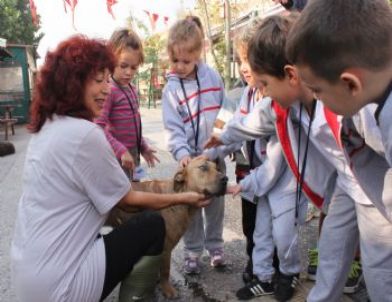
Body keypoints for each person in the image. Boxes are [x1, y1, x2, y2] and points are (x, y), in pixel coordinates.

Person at [205, 14, 392, 302]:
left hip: (376, 192)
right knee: (330, 250)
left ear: (292, 75)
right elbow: (246, 124)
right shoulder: (284, 105)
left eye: (265, 83)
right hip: (347, 184)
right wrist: (214, 144)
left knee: (378, 269)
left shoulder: (347, 101)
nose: (261, 92)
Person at [10, 35, 209, 302]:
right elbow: (129, 200)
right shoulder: (84, 134)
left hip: (27, 276)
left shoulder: (47, 126)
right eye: (98, 80)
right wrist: (183, 197)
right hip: (60, 288)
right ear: (73, 81)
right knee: (150, 224)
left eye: (107, 79)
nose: (106, 89)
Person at [285, 1, 392, 300]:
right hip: (358, 187)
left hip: (373, 199)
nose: (317, 100)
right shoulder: (374, 103)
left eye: (317, 90)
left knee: (381, 272)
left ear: (350, 84)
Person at [162, 17, 226, 274]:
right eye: (175, 60)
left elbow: (224, 113)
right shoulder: (171, 89)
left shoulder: (213, 77)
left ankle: (216, 247)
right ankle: (192, 252)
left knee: (216, 206)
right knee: (191, 208)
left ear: (199, 53)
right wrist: (182, 153)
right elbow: (173, 127)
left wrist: (221, 143)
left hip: (214, 157)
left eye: (186, 61)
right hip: (191, 162)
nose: (179, 66)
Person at [95, 28, 158, 181]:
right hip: (116, 157)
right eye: (123, 66)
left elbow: (135, 126)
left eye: (134, 67)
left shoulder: (132, 90)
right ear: (111, 61)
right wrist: (121, 150)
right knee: (123, 200)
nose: (129, 72)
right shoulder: (109, 91)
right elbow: (98, 127)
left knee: (133, 192)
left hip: (132, 155)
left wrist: (143, 147)